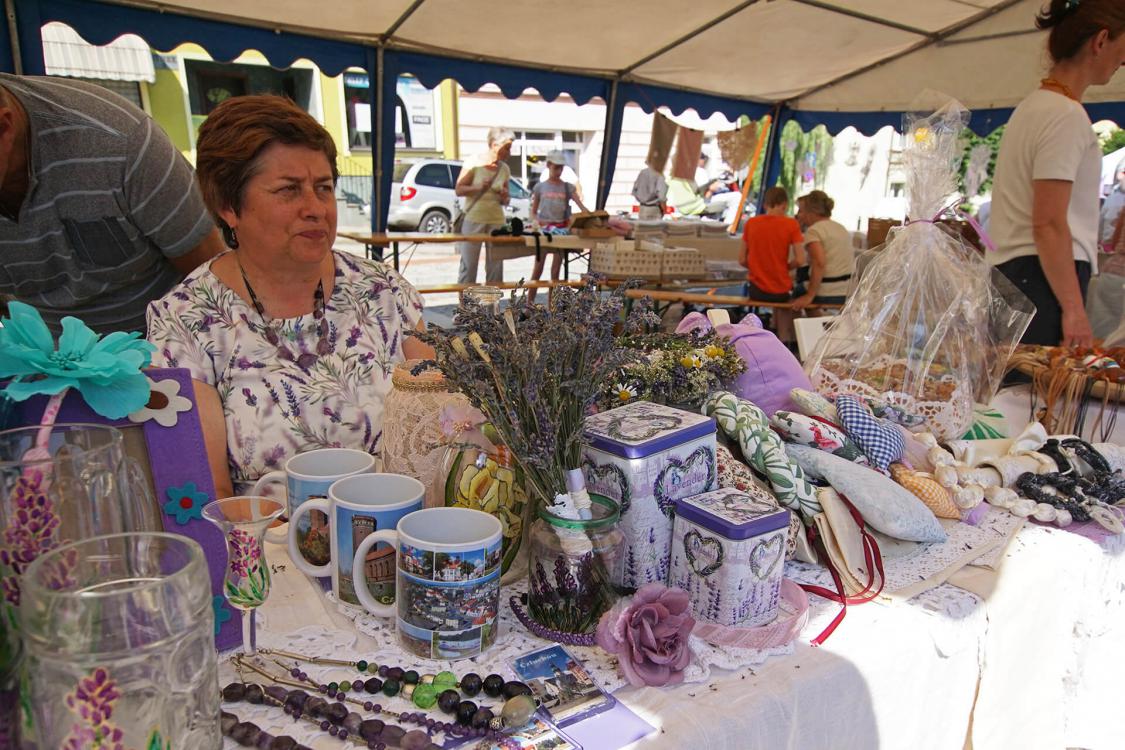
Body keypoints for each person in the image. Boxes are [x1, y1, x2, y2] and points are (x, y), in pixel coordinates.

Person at [146, 95, 432, 496]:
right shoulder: (186, 321)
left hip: (397, 525)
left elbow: (442, 426)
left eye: (323, 188)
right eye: (288, 190)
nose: (316, 208)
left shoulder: (383, 291)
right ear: (229, 206)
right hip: (266, 534)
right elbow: (207, 495)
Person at [0, 74, 224, 335]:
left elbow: (213, 279)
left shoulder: (122, 142)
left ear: (4, 128)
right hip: (44, 351)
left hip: (171, 343)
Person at [988, 0, 1125, 347]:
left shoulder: (1033, 107)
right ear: (1101, 41)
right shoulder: (1065, 115)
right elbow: (1048, 222)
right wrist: (1074, 310)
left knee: (1011, 378)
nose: (1122, 61)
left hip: (1022, 273)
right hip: (1041, 277)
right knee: (1032, 380)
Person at [742, 186, 803, 342]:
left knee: (775, 304)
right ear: (785, 205)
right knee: (784, 306)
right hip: (781, 291)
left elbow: (741, 259)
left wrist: (758, 267)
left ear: (765, 205)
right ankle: (784, 341)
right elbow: (800, 260)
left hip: (756, 290)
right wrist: (785, 267)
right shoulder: (791, 224)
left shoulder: (751, 223)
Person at [454, 127, 513, 285]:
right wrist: (478, 187)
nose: (509, 152)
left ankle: (492, 300)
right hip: (474, 219)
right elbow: (459, 189)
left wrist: (504, 196)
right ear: (494, 145)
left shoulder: (504, 169)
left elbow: (506, 200)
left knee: (496, 266)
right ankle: (465, 300)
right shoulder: (474, 162)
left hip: (496, 221)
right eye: (507, 148)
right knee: (469, 265)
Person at [528, 150, 588, 302]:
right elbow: (533, 211)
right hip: (545, 231)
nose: (558, 171)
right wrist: (536, 222)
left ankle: (552, 306)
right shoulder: (540, 187)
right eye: (556, 167)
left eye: (561, 168)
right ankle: (529, 305)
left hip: (561, 231)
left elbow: (581, 206)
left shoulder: (568, 187)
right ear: (548, 165)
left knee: (555, 271)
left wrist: (590, 217)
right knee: (538, 269)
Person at [792, 190, 855, 309]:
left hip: (828, 290)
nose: (799, 215)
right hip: (847, 289)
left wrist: (809, 296)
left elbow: (819, 263)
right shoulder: (841, 228)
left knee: (796, 294)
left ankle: (796, 321)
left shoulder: (814, 231)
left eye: (801, 211)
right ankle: (817, 318)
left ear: (811, 212)